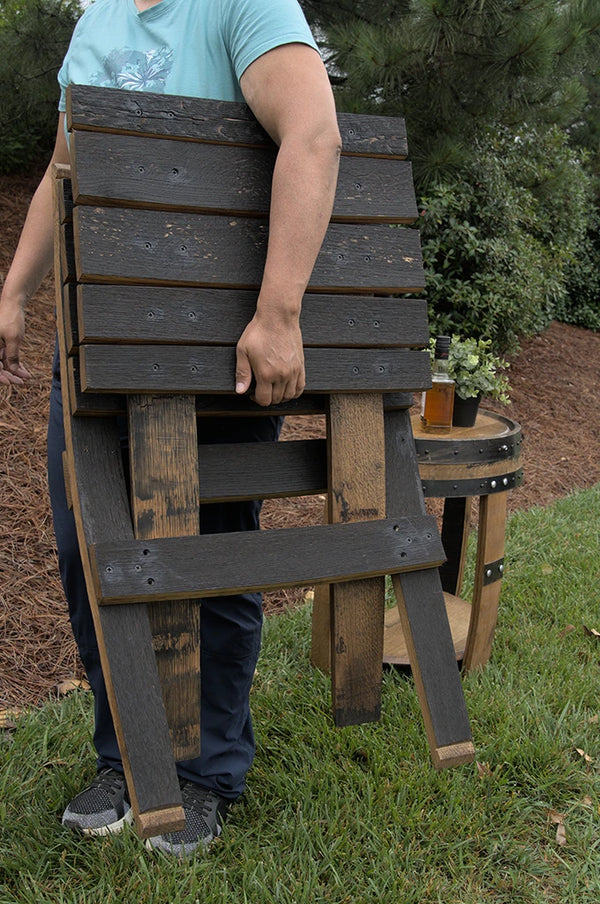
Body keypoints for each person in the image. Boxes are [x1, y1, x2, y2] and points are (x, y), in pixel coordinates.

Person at [0, 0, 341, 856]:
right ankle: (130, 755)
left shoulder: (242, 4)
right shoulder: (97, 18)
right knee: (93, 554)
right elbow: (61, 166)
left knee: (209, 558)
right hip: (95, 348)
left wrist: (279, 314)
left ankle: (205, 771)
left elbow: (313, 135)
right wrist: (13, 293)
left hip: (206, 350)